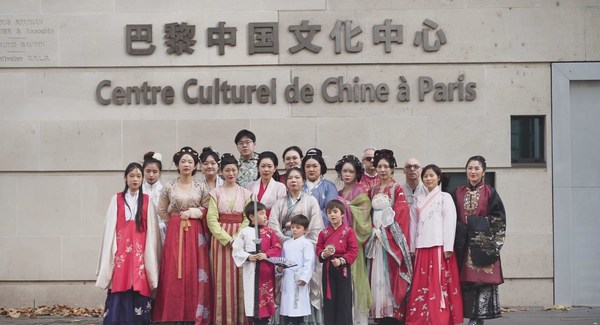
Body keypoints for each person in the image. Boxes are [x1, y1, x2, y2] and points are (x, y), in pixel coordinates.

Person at [152, 147, 212, 325]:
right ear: (178, 164)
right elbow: (161, 209)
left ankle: (194, 313)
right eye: (183, 161)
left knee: (194, 269)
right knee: (174, 269)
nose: (186, 164)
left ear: (195, 166)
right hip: (175, 231)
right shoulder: (169, 186)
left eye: (190, 162)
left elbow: (208, 209)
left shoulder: (202, 186)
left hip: (195, 231)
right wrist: (174, 222)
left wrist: (193, 212)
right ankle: (173, 313)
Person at [96, 162, 161, 325]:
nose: (135, 179)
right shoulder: (116, 199)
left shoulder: (147, 200)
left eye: (139, 176)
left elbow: (152, 231)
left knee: (140, 281)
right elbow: (110, 227)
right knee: (120, 282)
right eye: (132, 176)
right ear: (125, 177)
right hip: (121, 251)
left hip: (140, 251)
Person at [406, 164, 463, 325]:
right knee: (421, 283)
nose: (428, 179)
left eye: (431, 175)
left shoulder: (445, 197)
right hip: (421, 246)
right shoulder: (418, 200)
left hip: (439, 246)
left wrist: (448, 247)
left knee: (439, 283)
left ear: (438, 177)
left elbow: (450, 222)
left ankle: (439, 317)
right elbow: (413, 224)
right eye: (425, 176)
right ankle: (421, 317)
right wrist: (412, 247)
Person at [268, 166, 325, 325]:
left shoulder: (311, 201)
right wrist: (285, 241)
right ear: (286, 182)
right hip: (285, 246)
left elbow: (316, 228)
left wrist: (302, 241)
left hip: (304, 246)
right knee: (285, 290)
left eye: (297, 178)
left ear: (303, 180)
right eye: (290, 178)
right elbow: (273, 226)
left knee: (302, 286)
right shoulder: (279, 203)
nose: (293, 180)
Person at [453, 156, 506, 325]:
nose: (473, 171)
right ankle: (473, 318)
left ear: (483, 171)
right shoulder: (458, 192)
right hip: (463, 244)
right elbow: (451, 218)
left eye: (476, 168)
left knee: (482, 283)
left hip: (482, 244)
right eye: (470, 168)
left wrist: (476, 223)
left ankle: (478, 318)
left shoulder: (490, 192)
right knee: (467, 283)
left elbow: (499, 219)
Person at [365, 149, 413, 325]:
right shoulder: (372, 190)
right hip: (375, 238)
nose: (383, 169)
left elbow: (401, 214)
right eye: (379, 166)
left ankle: (393, 313)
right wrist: (371, 230)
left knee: (390, 273)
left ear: (393, 169)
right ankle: (379, 311)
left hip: (388, 239)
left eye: (386, 166)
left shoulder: (397, 189)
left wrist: (385, 233)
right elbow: (368, 214)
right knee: (376, 272)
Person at [207, 153, 253, 325]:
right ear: (221, 172)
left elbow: (248, 217)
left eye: (234, 169)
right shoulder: (215, 193)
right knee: (221, 279)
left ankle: (242, 320)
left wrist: (238, 238)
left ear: (238, 171)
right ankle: (222, 320)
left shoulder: (246, 193)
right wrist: (227, 239)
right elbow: (212, 219)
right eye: (227, 170)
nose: (231, 173)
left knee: (241, 277)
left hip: (242, 238)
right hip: (221, 241)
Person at [334, 154, 372, 325]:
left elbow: (364, 223)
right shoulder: (338, 193)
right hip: (339, 243)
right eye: (344, 171)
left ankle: (358, 319)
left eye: (351, 171)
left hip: (354, 242)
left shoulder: (361, 193)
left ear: (357, 173)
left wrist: (347, 207)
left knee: (356, 281)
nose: (347, 174)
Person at [232, 201, 282, 325]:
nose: (265, 216)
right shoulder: (244, 232)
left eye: (265, 213)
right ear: (251, 217)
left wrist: (266, 254)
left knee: (266, 297)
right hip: (251, 270)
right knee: (252, 297)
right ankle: (255, 321)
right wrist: (248, 257)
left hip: (266, 271)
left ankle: (265, 320)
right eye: (261, 213)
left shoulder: (269, 232)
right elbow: (236, 249)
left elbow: (277, 246)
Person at [316, 199, 359, 325]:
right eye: (329, 212)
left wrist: (341, 260)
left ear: (342, 214)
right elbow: (318, 248)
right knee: (329, 300)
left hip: (342, 267)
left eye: (335, 212)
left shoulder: (348, 231)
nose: (332, 215)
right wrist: (324, 253)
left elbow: (353, 250)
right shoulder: (323, 233)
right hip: (328, 268)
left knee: (343, 300)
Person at [278, 214, 316, 325]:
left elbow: (309, 262)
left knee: (298, 304)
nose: (294, 230)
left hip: (299, 277)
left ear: (306, 230)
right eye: (293, 227)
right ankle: (290, 321)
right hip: (288, 277)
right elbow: (283, 260)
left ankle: (298, 321)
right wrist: (280, 269)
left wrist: (304, 278)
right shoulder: (286, 244)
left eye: (298, 227)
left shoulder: (307, 244)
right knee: (288, 304)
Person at [302, 148, 338, 227]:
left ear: (321, 167)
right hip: (299, 227)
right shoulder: (299, 186)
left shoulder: (329, 186)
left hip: (322, 227)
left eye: (315, 166)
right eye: (307, 166)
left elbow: (330, 209)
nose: (311, 169)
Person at [246, 151, 287, 218]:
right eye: (263, 166)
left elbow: (282, 210)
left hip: (272, 223)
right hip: (254, 223)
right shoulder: (250, 186)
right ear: (258, 167)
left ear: (275, 168)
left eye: (269, 166)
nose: (266, 169)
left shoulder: (280, 187)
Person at [142, 151, 165, 243]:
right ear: (143, 172)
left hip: (161, 232)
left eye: (155, 172)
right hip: (142, 231)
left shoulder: (165, 191)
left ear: (159, 173)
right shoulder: (138, 191)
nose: (151, 175)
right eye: (148, 171)